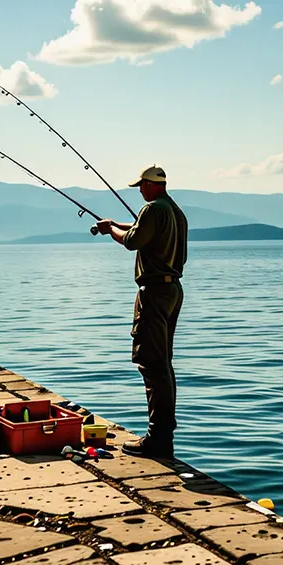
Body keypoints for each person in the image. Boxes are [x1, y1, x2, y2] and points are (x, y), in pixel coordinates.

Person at [96, 164, 188, 459]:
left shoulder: (152, 210)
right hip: (173, 290)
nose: (139, 191)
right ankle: (164, 436)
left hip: (154, 293)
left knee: (151, 364)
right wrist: (115, 224)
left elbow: (133, 241)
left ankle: (157, 439)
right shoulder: (175, 212)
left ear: (149, 185)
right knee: (164, 364)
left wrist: (111, 230)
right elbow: (141, 231)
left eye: (140, 187)